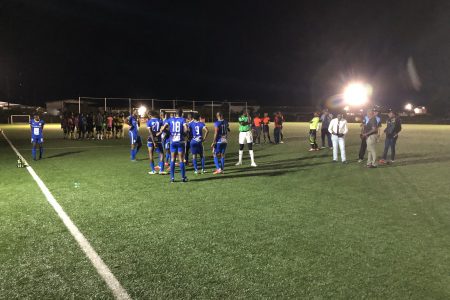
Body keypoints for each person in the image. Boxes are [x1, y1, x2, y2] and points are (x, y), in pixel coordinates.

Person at [159, 108, 188, 182]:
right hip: (180, 142)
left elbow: (162, 129)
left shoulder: (169, 119)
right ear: (181, 113)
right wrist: (184, 134)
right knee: (181, 159)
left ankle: (172, 178)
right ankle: (183, 178)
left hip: (172, 142)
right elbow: (186, 129)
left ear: (175, 113)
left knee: (172, 159)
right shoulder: (182, 119)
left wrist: (168, 132)